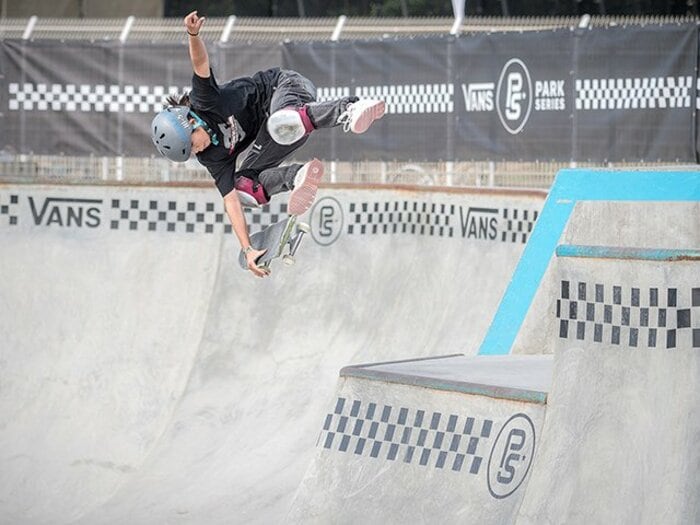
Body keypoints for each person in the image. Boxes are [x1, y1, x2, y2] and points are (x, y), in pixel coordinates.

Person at [150, 10, 386, 277]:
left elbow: (200, 63)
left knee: (282, 121)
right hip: (276, 131)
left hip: (285, 88)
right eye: (192, 153)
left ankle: (350, 109)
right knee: (243, 188)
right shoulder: (212, 156)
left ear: (191, 122)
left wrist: (193, 35)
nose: (197, 151)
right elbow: (230, 202)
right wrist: (248, 248)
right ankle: (297, 176)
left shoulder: (204, 102)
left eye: (192, 145)